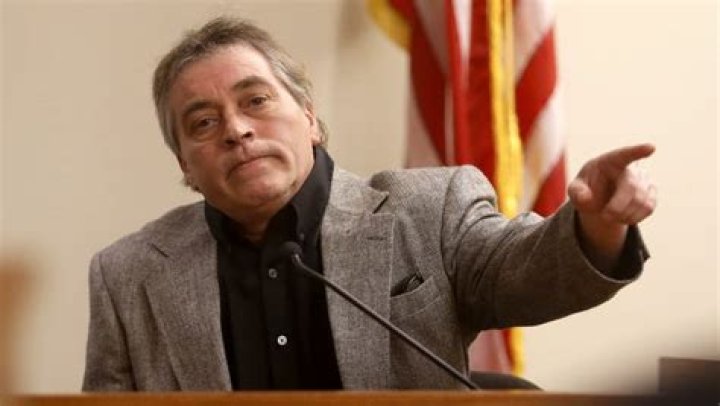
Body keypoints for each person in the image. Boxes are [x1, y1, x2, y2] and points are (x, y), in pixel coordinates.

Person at [83, 17, 656, 391]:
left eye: (255, 100)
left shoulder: (428, 210)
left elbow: (527, 271)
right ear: (185, 164)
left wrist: (594, 226)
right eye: (204, 123)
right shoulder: (129, 273)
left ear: (309, 118)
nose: (237, 130)